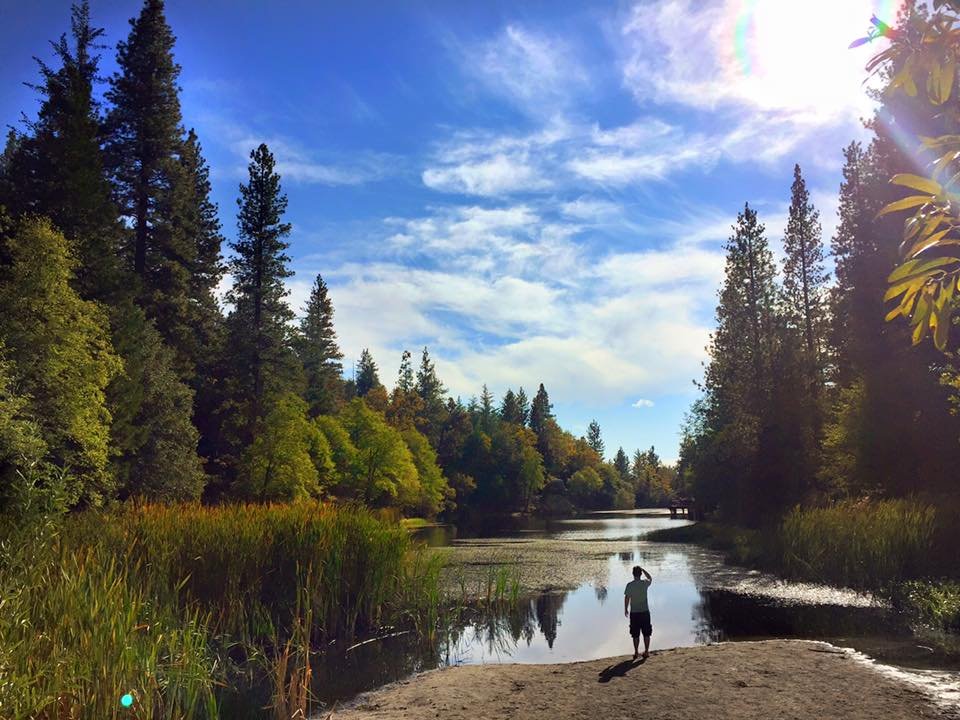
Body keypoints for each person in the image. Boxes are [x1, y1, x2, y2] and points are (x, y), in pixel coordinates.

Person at [624, 565, 653, 660]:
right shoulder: (645, 583)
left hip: (634, 613)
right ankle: (646, 651)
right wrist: (644, 569)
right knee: (646, 633)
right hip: (645, 612)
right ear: (640, 574)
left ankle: (636, 652)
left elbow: (627, 598)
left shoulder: (630, 585)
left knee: (635, 634)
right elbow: (650, 578)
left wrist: (625, 609)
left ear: (633, 574)